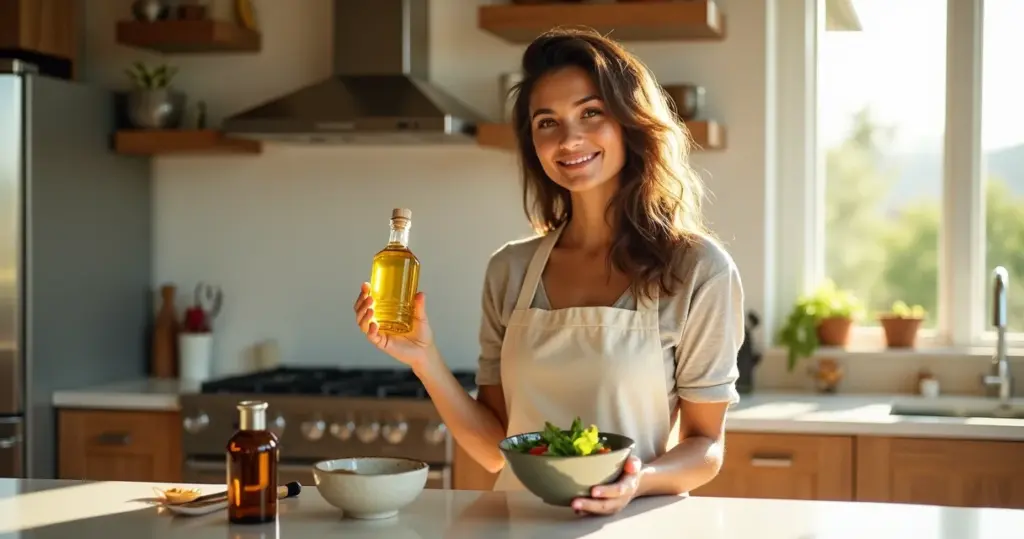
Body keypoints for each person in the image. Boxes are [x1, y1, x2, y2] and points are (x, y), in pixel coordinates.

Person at [353, 27, 744, 516]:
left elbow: (705, 447)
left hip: (627, 523)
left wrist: (636, 481)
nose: (569, 138)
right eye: (546, 122)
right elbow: (495, 447)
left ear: (630, 122)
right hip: (519, 524)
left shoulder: (698, 271)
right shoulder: (510, 270)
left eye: (591, 113)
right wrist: (424, 359)